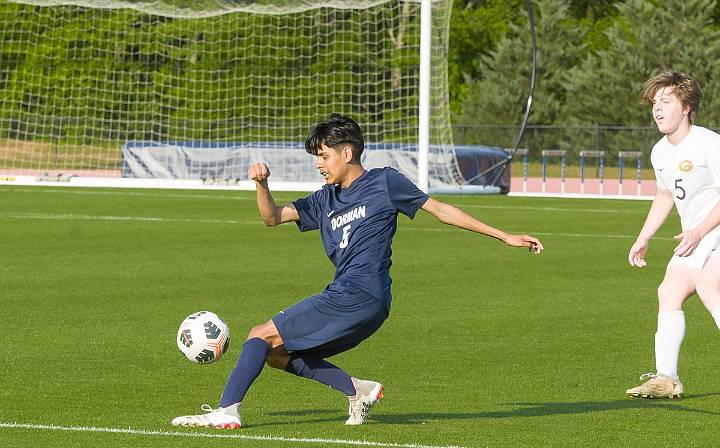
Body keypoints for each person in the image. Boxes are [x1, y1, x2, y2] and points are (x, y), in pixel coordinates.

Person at [172, 113, 544, 429]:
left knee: (258, 335)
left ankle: (227, 410)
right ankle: (357, 390)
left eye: (323, 156)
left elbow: (441, 209)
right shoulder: (325, 199)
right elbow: (271, 218)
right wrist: (261, 184)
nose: (319, 164)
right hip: (365, 303)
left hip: (358, 294)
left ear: (347, 153)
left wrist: (504, 236)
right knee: (273, 352)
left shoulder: (384, 182)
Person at [627, 71, 720, 399]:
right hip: (697, 237)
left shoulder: (710, 143)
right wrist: (644, 236)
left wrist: (698, 230)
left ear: (687, 106)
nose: (657, 109)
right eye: (654, 103)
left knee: (710, 286)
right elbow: (665, 196)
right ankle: (666, 378)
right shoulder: (659, 152)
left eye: (666, 101)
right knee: (669, 292)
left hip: (714, 232)